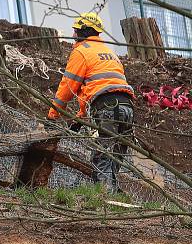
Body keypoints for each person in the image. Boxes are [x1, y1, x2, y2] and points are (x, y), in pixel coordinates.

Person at [47, 12, 135, 192]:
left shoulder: (82, 51)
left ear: (85, 31)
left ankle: (105, 199)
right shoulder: (109, 53)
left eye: (76, 30)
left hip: (106, 108)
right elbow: (101, 87)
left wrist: (52, 115)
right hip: (127, 108)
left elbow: (67, 88)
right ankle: (114, 196)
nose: (73, 35)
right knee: (116, 156)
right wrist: (80, 118)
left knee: (102, 156)